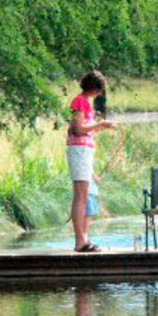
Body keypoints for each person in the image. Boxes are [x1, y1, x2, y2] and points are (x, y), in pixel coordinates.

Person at [67, 70, 116, 253]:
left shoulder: (86, 102)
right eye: (100, 90)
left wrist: (102, 127)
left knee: (85, 196)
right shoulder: (80, 101)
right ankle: (80, 242)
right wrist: (101, 125)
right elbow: (78, 129)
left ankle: (84, 239)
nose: (100, 94)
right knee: (81, 197)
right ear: (95, 88)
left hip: (84, 151)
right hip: (79, 150)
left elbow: (87, 130)